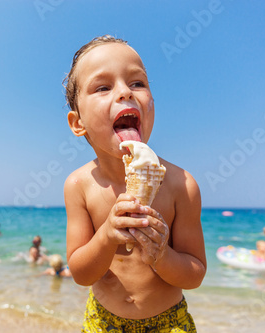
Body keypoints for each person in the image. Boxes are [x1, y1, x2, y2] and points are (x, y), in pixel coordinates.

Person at [63, 35, 206, 332]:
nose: (125, 93)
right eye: (103, 87)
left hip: (169, 322)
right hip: (103, 321)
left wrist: (162, 255)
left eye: (137, 83)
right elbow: (80, 273)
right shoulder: (79, 185)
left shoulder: (181, 184)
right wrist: (106, 237)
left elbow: (195, 274)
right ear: (79, 124)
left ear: (152, 104)